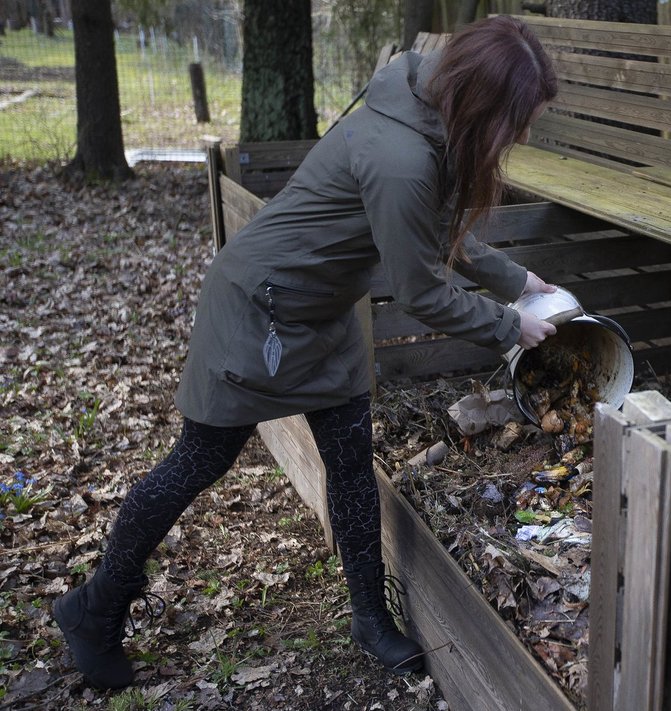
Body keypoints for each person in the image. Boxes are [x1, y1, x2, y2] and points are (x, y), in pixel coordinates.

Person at [53, 15, 559, 689]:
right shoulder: (402, 157)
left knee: (350, 464)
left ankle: (370, 618)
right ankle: (94, 608)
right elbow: (418, 291)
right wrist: (509, 326)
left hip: (319, 311)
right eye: (520, 118)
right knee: (199, 460)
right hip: (255, 309)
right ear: (484, 99)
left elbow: (433, 236)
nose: (522, 135)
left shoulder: (425, 114)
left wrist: (519, 282)